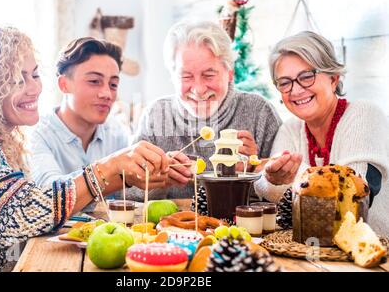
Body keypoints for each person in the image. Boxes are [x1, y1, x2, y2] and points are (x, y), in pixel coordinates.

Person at [0, 20, 169, 271]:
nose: (35, 88)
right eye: (17, 80)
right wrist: (109, 167)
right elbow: (19, 217)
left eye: (35, 75)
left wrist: (129, 172)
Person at [128, 20, 282, 200]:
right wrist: (158, 180)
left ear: (229, 72)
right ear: (173, 76)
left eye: (209, 75)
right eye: (186, 76)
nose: (199, 89)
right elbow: (127, 193)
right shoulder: (155, 115)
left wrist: (255, 169)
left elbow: (284, 193)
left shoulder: (259, 112)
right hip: (171, 227)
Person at [254, 31, 389, 235]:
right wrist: (271, 177)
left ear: (333, 78)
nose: (296, 90)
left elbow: (351, 199)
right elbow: (267, 190)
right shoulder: (290, 128)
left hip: (372, 254)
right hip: (309, 252)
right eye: (284, 82)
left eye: (307, 77)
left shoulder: (364, 115)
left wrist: (290, 176)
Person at [29, 37, 129, 206]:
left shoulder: (116, 132)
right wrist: (111, 167)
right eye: (94, 81)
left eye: (113, 84)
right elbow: (49, 196)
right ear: (63, 84)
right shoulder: (37, 135)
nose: (107, 94)